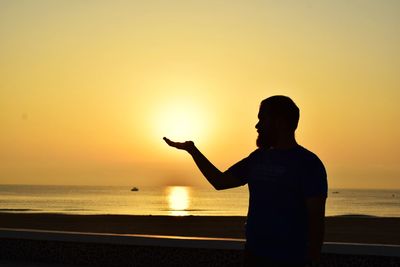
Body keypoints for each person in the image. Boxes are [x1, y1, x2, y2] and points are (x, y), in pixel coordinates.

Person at [163, 95, 327, 267]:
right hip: (254, 256)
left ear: (281, 123)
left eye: (262, 119)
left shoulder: (309, 164)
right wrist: (193, 151)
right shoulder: (257, 159)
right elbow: (220, 181)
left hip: (291, 259)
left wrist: (313, 258)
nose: (257, 126)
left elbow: (316, 219)